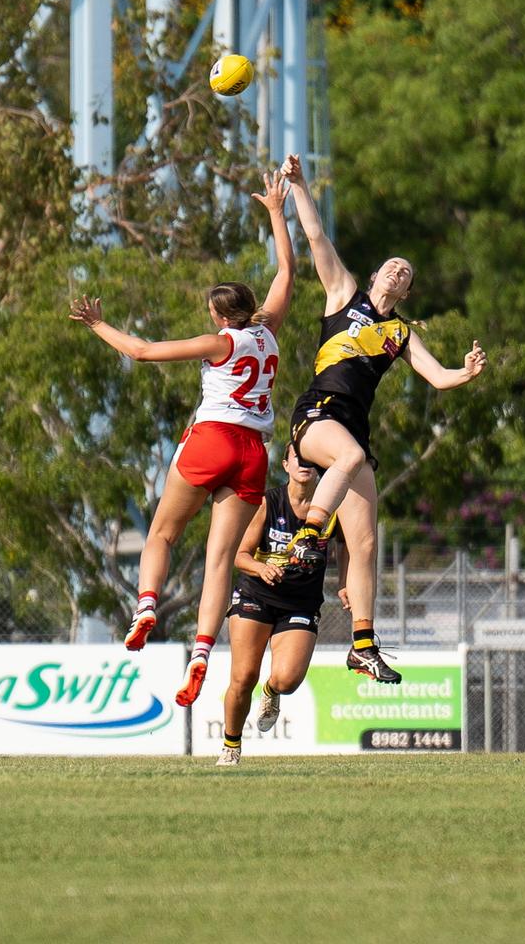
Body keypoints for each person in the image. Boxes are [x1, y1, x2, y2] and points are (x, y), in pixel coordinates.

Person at [69, 170, 295, 707]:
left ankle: (146, 603)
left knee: (162, 536)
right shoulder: (267, 331)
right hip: (252, 454)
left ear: (220, 314)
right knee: (220, 560)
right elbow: (287, 270)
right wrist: (275, 212)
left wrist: (98, 326)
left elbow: (144, 351)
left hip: (212, 438)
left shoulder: (219, 341)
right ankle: (199, 653)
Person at [279, 152, 487, 684]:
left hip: (354, 432)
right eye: (393, 265)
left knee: (367, 543)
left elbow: (437, 378)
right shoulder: (344, 294)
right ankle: (307, 536)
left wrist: (465, 372)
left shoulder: (400, 332)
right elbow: (317, 237)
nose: (399, 270)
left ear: (408, 293)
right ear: (375, 276)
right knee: (346, 457)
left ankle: (362, 646)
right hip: (318, 416)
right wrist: (301, 186)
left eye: (407, 273)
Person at [216, 442, 347, 766]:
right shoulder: (267, 503)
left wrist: (346, 583)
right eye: (296, 458)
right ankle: (231, 746)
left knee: (287, 680)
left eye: (310, 458)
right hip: (255, 596)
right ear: (286, 465)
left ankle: (271, 693)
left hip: (300, 605)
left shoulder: (332, 509)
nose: (304, 463)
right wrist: (261, 567)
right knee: (244, 676)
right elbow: (239, 556)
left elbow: (349, 549)